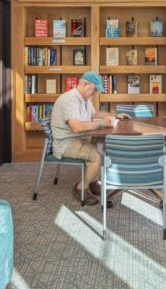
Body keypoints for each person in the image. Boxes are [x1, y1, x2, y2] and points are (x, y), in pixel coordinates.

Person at [50, 71, 129, 205]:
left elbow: (95, 114)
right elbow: (76, 127)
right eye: (95, 89)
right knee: (99, 155)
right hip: (66, 142)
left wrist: (114, 116)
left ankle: (92, 181)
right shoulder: (69, 100)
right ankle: (80, 188)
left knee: (105, 145)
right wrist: (103, 123)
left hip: (81, 138)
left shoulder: (84, 99)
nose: (96, 93)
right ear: (85, 84)